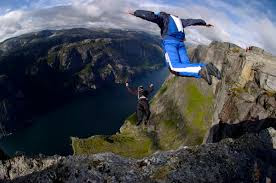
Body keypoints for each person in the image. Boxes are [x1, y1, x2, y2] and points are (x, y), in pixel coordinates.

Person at [128, 10, 221, 85]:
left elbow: (151, 16)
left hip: (170, 43)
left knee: (174, 68)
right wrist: (204, 23)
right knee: (185, 67)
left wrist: (136, 13)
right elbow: (193, 21)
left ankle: (202, 68)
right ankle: (208, 68)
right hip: (181, 45)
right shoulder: (180, 21)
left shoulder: (164, 17)